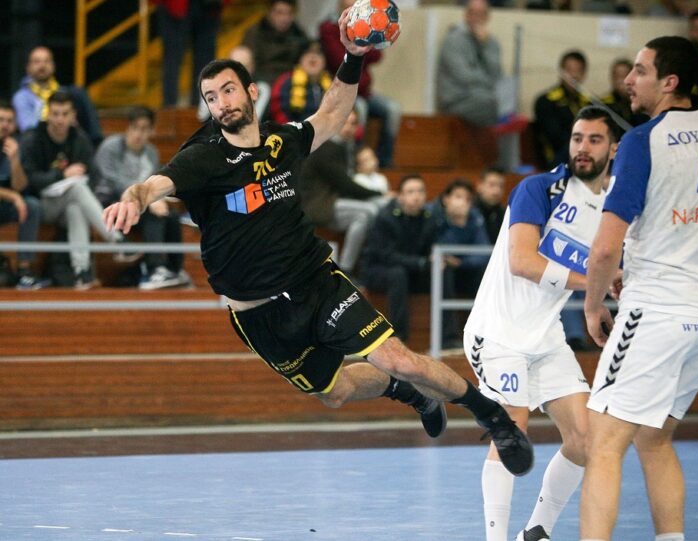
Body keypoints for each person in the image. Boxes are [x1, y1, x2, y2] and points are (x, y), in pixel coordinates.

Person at [102, 10, 534, 477]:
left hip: (316, 282)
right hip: (259, 313)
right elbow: (152, 184)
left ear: (251, 92)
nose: (221, 104)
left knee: (399, 358)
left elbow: (331, 112)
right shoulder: (203, 160)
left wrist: (352, 57)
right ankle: (410, 395)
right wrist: (135, 199)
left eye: (228, 90)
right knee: (336, 393)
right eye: (210, 98)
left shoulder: (281, 142)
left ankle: (494, 417)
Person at [579, 36, 698, 541]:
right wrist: (681, 251)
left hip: (656, 310)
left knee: (602, 441)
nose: (629, 80)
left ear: (669, 82)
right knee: (655, 438)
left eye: (640, 70)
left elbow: (604, 251)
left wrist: (592, 306)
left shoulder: (641, 140)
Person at [464, 106, 621, 541]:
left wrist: (594, 303)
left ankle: (536, 532)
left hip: (546, 336)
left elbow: (608, 270)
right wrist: (599, 283)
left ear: (613, 148)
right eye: (577, 138)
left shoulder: (611, 210)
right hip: (497, 332)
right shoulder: (538, 189)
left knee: (585, 437)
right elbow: (522, 262)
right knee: (512, 427)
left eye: (593, 140)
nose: (582, 148)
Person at [21, 90, 122, 289]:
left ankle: (81, 272)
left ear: (73, 116)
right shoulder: (34, 138)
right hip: (42, 205)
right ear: (48, 114)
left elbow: (93, 177)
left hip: (70, 203)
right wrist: (63, 175)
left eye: (65, 114)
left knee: (75, 208)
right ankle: (116, 239)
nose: (59, 119)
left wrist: (75, 178)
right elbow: (30, 180)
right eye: (55, 113)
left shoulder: (80, 138)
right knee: (76, 187)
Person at [94, 106, 188, 289]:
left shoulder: (151, 153)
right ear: (128, 128)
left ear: (151, 131)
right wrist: (145, 199)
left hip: (139, 205)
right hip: (110, 202)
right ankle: (155, 268)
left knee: (171, 215)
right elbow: (111, 182)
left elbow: (152, 183)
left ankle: (175, 269)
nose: (138, 134)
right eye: (135, 128)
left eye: (144, 129)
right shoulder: (111, 146)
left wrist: (152, 199)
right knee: (155, 214)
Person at [319, 0, 401, 167]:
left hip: (364, 90)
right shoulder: (329, 27)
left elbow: (377, 56)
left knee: (393, 109)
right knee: (360, 109)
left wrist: (367, 39)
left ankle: (385, 160)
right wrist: (360, 46)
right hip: (342, 88)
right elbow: (337, 57)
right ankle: (355, 158)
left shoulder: (370, 19)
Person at [299, 109, 380, 276]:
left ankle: (361, 265)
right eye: (345, 123)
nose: (349, 128)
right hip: (318, 205)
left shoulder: (346, 146)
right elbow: (345, 184)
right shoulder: (326, 146)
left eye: (353, 123)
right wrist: (377, 193)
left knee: (373, 210)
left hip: (334, 200)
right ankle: (347, 269)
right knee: (369, 211)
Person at [361, 174, 436, 343]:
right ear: (400, 196)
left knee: (442, 270)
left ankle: (448, 336)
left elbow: (430, 249)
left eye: (420, 191)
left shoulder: (429, 218)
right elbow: (385, 255)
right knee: (398, 274)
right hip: (378, 270)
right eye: (410, 192)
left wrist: (435, 260)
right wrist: (420, 262)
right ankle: (398, 336)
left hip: (411, 270)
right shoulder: (385, 217)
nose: (416, 196)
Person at [432, 178, 491, 347]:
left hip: (462, 268)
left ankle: (483, 335)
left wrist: (460, 263)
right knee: (443, 272)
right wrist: (457, 226)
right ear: (446, 199)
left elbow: (484, 252)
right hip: (434, 271)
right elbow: (437, 248)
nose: (462, 202)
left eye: (467, 199)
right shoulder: (433, 214)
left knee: (484, 272)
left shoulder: (474, 217)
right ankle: (448, 337)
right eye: (458, 196)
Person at [0, 100, 49, 289]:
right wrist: (13, 196)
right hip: (8, 199)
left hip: (6, 206)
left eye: (9, 121)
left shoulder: (18, 145)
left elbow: (21, 186)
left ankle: (24, 271)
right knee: (23, 201)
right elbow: (16, 194)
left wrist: (14, 161)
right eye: (1, 120)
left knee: (33, 206)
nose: (5, 125)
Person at [12, 46, 103, 146]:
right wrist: (58, 123)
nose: (42, 65)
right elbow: (28, 127)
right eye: (37, 62)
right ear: (28, 68)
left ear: (53, 66)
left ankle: (97, 141)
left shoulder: (63, 92)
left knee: (79, 92)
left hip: (65, 138)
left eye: (47, 61)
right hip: (38, 142)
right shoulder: (21, 96)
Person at [436, 0, 502, 129]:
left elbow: (497, 74)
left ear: (487, 17)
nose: (476, 18)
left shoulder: (491, 43)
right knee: (495, 106)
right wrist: (489, 82)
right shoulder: (453, 40)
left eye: (480, 14)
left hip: (484, 97)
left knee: (507, 106)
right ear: (465, 15)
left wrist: (485, 46)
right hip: (457, 100)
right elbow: (464, 77)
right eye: (472, 13)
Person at [154, 0, 228, 108]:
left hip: (209, 7)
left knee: (205, 61)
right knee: (172, 59)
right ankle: (169, 107)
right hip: (174, 6)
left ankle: (203, 106)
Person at [533, 50, 590, 169]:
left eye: (578, 70)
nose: (573, 75)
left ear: (584, 74)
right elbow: (556, 138)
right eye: (569, 70)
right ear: (561, 71)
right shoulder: (546, 101)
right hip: (555, 163)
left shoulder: (587, 103)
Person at [241, 0, 309, 87]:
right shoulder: (256, 32)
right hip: (260, 80)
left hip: (291, 82)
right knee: (241, 54)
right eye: (279, 13)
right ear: (269, 12)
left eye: (289, 13)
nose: (284, 18)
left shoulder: (298, 33)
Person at [270, 41, 332, 124]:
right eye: (308, 53)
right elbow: (278, 112)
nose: (313, 57)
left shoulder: (334, 84)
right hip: (292, 133)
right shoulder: (285, 81)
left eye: (318, 53)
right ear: (300, 58)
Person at [601, 58, 648, 128]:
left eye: (623, 76)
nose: (620, 80)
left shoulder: (640, 103)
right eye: (617, 76)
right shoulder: (603, 103)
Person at [474, 166, 506, 242]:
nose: (496, 191)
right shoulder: (469, 212)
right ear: (479, 186)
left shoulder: (505, 214)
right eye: (492, 185)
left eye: (501, 186)